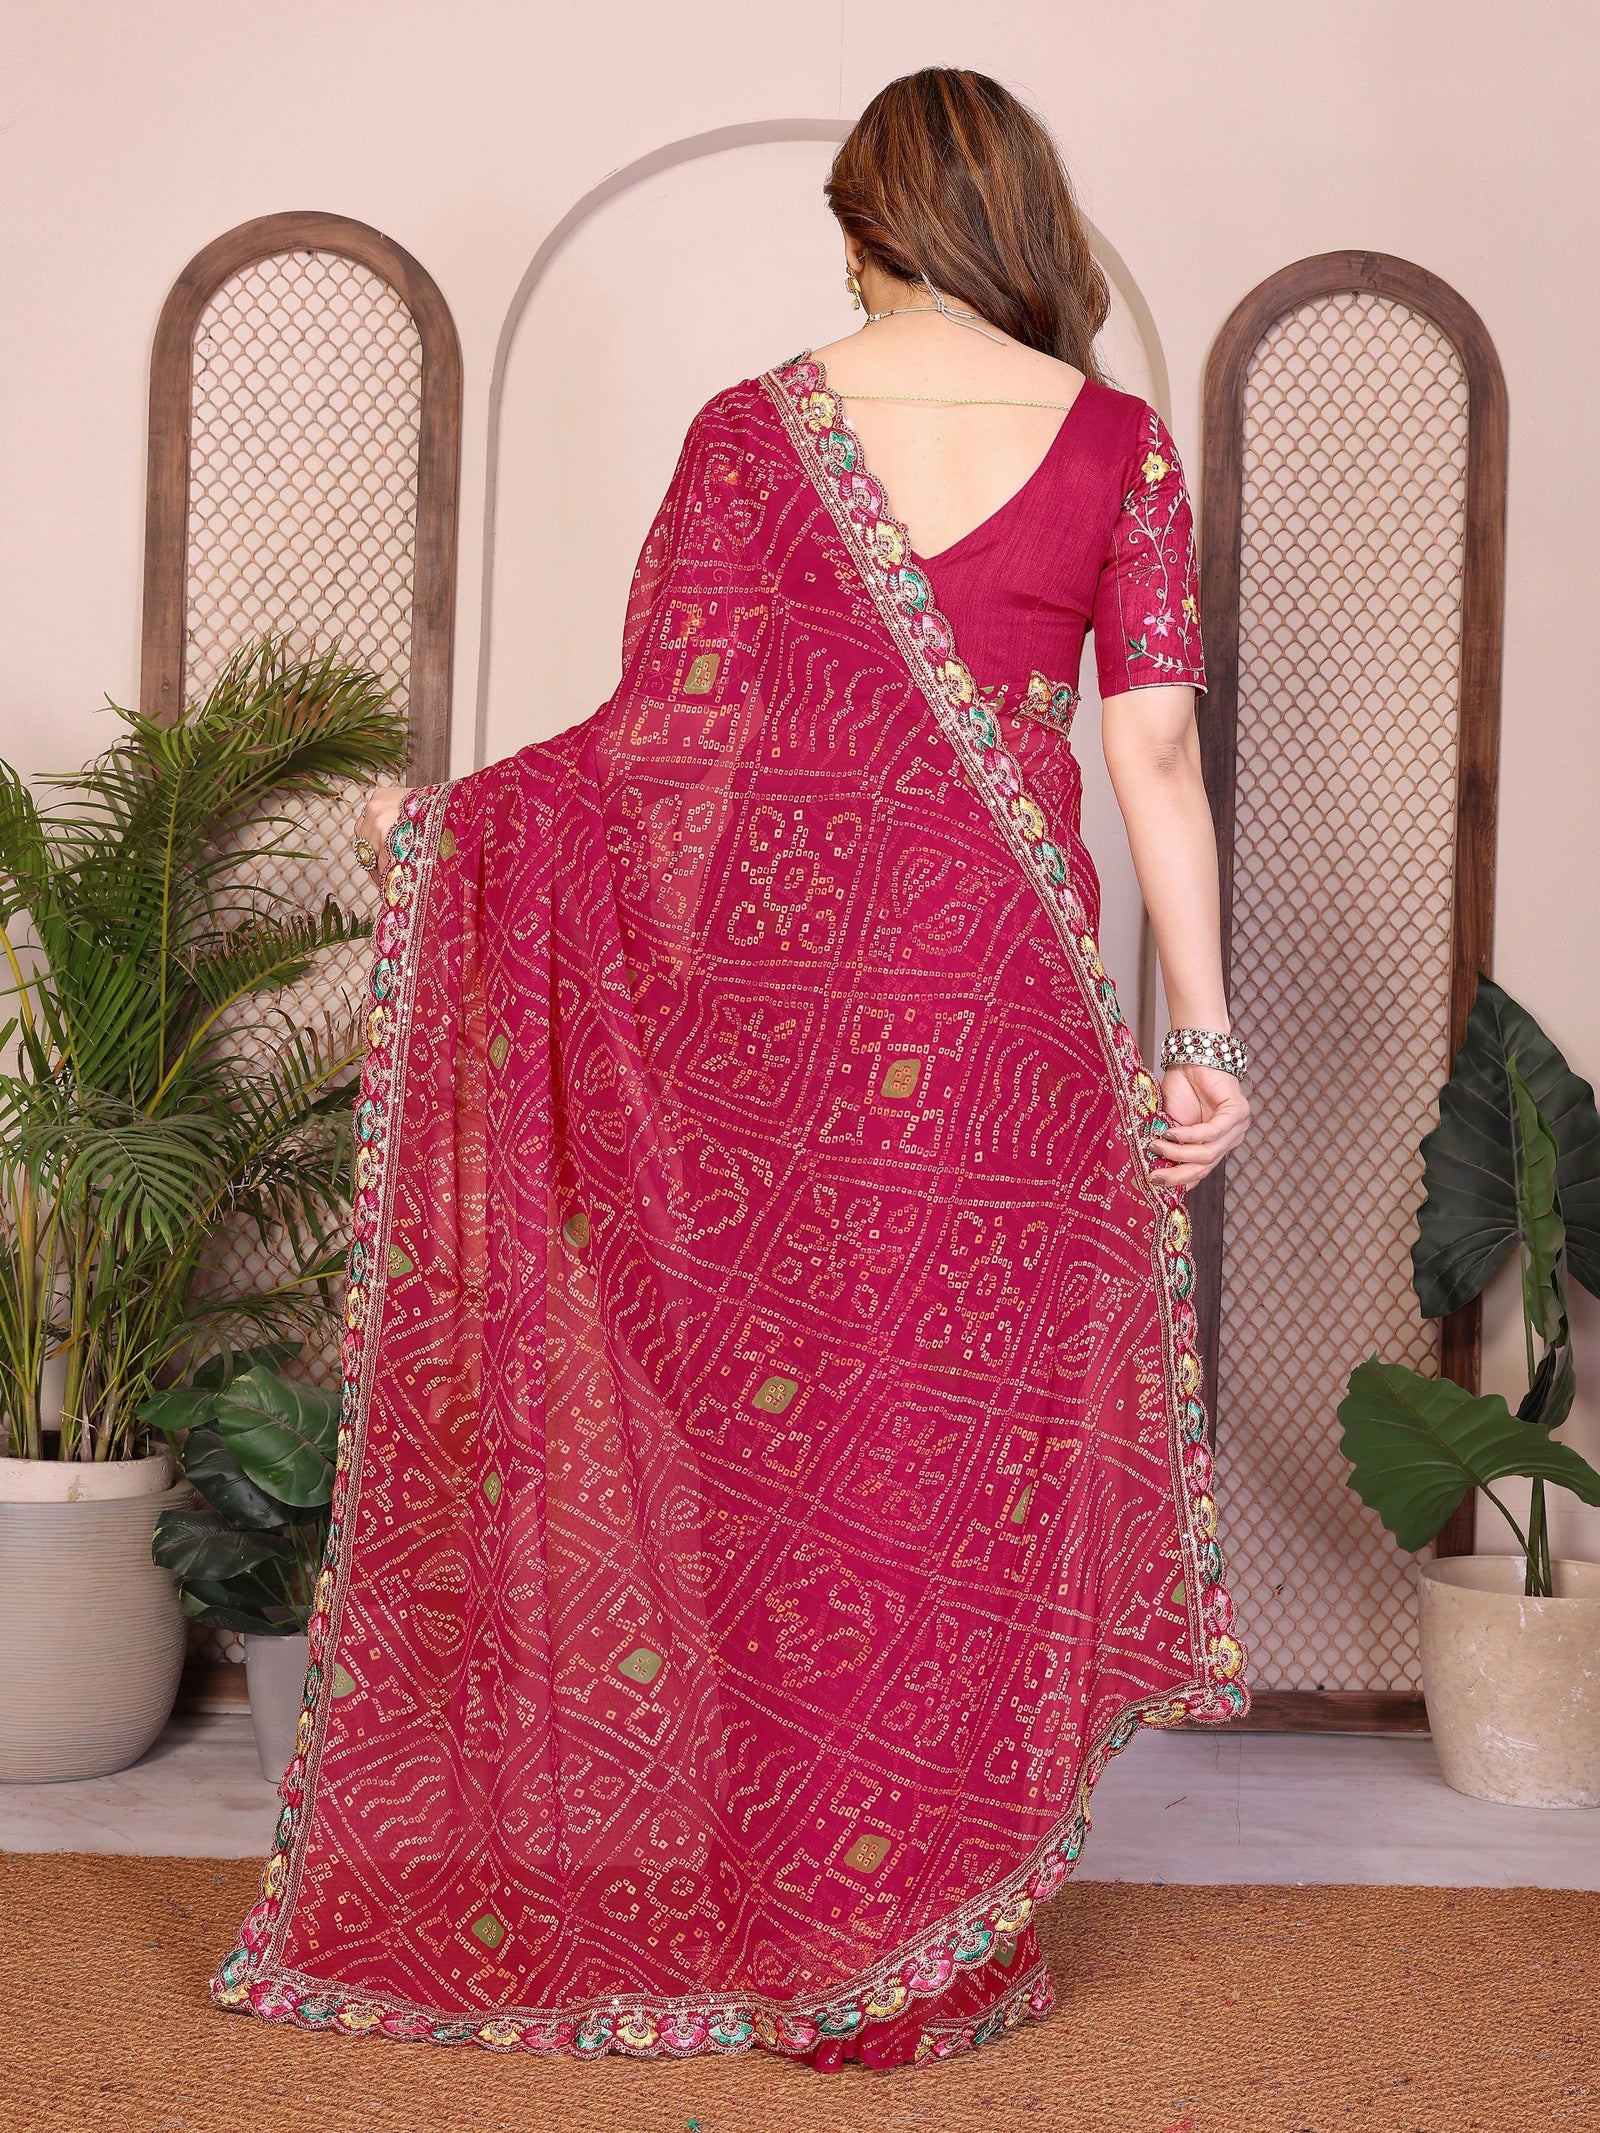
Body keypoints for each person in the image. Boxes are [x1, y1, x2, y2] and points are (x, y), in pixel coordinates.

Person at [212, 65, 1252, 2070]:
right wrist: (1196, 1034)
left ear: (861, 222)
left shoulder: (750, 430)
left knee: (792, 1450)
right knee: (956, 1455)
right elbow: (1149, 759)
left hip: (777, 1036)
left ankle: (814, 1923)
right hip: (1002, 1019)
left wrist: (447, 832)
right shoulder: (1113, 442)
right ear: (1022, 224)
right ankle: (927, 1949)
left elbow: (665, 760)